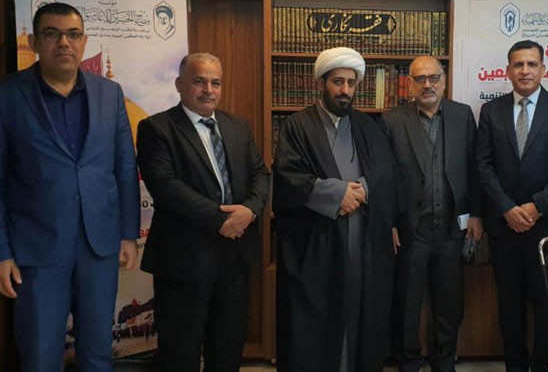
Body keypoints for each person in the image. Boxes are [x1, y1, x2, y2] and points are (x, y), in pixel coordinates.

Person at [0, 2, 140, 371]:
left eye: (73, 34)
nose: (64, 42)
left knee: (98, 353)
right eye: (52, 33)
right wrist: (2, 252)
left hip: (99, 246)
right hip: (37, 249)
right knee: (40, 355)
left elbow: (125, 166)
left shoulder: (110, 93)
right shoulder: (9, 95)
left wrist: (128, 233)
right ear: (34, 42)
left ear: (84, 41)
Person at [136, 52, 270, 372]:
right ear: (179, 84)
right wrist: (222, 220)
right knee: (180, 350)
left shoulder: (237, 126)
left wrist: (249, 211)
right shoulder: (157, 128)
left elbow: (260, 174)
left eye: (215, 83)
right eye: (199, 81)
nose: (208, 90)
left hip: (235, 255)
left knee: (228, 346)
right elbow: (165, 186)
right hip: (184, 257)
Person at [272, 47, 399, 372]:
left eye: (351, 83)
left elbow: (386, 172)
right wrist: (337, 193)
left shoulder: (368, 126)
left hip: (362, 240)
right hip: (318, 243)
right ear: (320, 83)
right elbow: (287, 176)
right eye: (337, 82)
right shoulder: (298, 125)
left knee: (360, 310)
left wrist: (363, 190)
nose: (345, 90)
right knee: (320, 318)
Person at [476, 40, 548, 372]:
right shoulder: (491, 111)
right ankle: (515, 366)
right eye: (518, 64)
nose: (525, 71)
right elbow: (483, 166)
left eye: (532, 64)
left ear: (543, 69)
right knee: (509, 306)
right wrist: (507, 208)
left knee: (547, 306)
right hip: (505, 228)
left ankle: (541, 366)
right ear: (508, 71)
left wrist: (536, 207)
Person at [380, 56, 483, 372]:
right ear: (409, 84)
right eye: (420, 79)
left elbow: (476, 168)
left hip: (452, 229)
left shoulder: (462, 115)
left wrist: (477, 214)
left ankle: (444, 363)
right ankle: (408, 363)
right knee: (407, 305)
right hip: (411, 230)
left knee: (449, 305)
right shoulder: (392, 121)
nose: (427, 84)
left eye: (433, 78)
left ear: (444, 80)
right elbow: (384, 178)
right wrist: (389, 223)